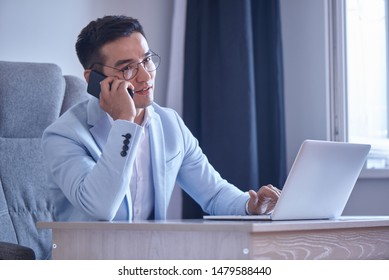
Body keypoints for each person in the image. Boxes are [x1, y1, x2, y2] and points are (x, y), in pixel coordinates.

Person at [41, 15, 281, 221]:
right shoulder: (64, 135)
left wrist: (250, 206)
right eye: (127, 68)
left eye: (146, 60)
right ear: (93, 78)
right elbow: (101, 208)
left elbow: (214, 194)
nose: (145, 76)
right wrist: (125, 122)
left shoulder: (169, 124)